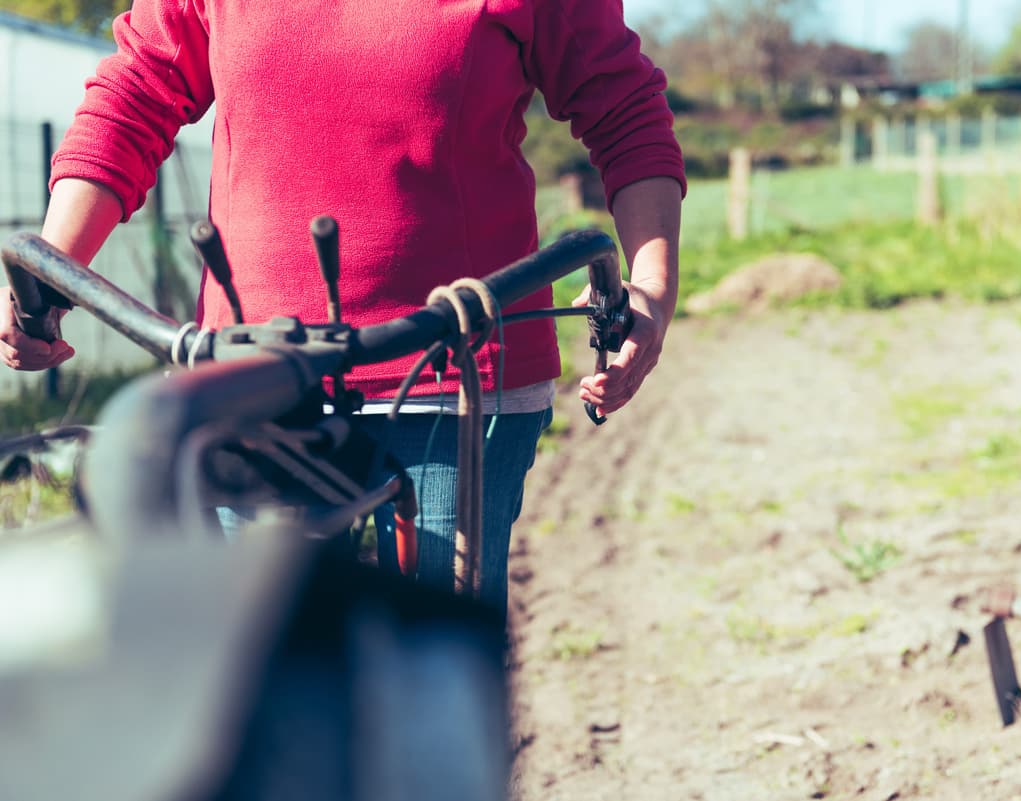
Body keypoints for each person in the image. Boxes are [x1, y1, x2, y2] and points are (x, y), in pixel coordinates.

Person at [0, 0, 685, 613]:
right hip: (256, 373)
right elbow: (138, 92)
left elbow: (621, 105)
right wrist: (53, 267)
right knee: (256, 669)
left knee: (426, 674)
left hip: (458, 374)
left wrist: (650, 283)